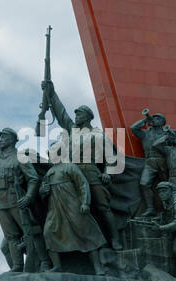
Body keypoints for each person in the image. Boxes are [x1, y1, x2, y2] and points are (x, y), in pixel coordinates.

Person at [40, 80, 122, 250]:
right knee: (74, 209)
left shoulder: (97, 134)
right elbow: (61, 113)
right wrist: (51, 92)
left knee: (102, 206)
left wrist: (107, 172)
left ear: (87, 117)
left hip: (90, 171)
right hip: (70, 172)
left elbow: (112, 157)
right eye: (75, 114)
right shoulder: (72, 130)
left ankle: (115, 239)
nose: (75, 117)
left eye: (79, 114)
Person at [0, 97, 50, 272]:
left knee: (32, 232)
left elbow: (33, 178)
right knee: (11, 236)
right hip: (0, 201)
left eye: (4, 137)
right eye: (0, 137)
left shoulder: (20, 156)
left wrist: (28, 197)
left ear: (12, 140)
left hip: (16, 199)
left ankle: (45, 261)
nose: (0, 139)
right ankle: (18, 266)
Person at [39, 142, 106, 275]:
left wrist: (85, 202)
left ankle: (97, 266)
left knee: (85, 231)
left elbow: (82, 184)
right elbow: (43, 192)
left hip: (72, 205)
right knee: (49, 232)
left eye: (52, 152)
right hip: (55, 208)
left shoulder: (69, 167)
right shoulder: (49, 172)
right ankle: (57, 266)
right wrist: (43, 191)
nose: (50, 155)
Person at [130, 112, 168, 216]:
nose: (155, 120)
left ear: (162, 122)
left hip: (164, 161)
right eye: (154, 118)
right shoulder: (146, 133)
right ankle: (150, 208)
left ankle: (169, 207)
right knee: (144, 184)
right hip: (150, 161)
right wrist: (145, 120)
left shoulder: (167, 134)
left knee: (168, 184)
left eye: (158, 118)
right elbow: (133, 128)